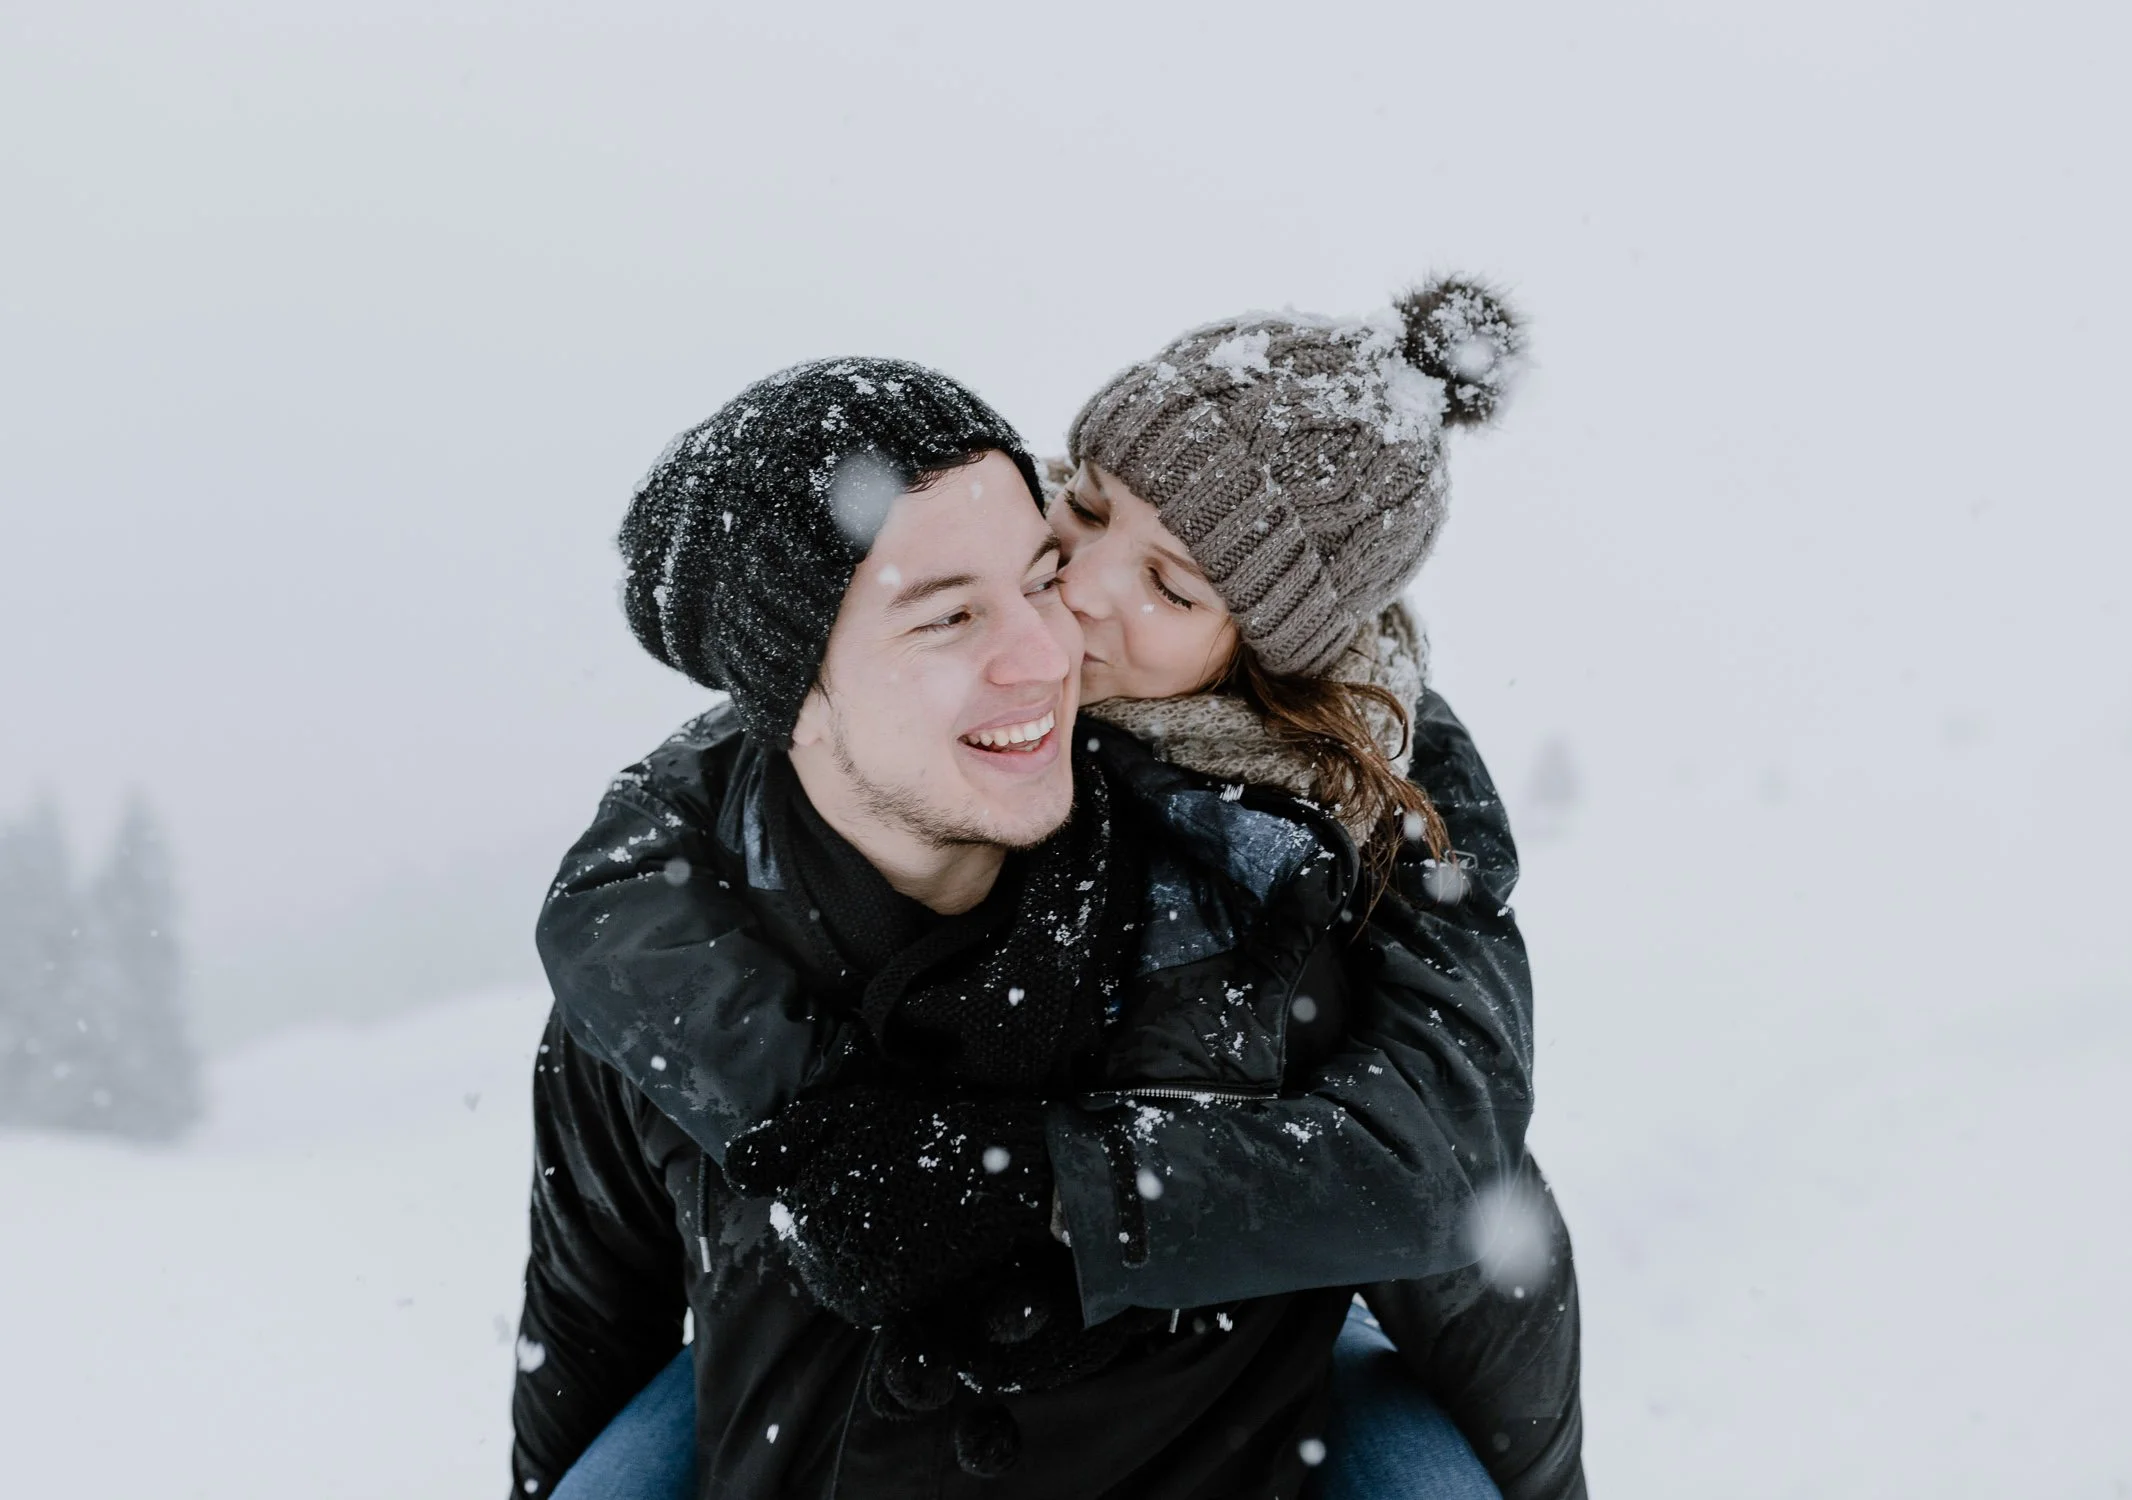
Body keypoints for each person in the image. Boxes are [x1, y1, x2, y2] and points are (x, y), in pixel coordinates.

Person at [516, 307, 1580, 1498]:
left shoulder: (1311, 871)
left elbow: (1453, 1190)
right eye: (1079, 519)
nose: (1063, 621)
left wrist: (1054, 1188)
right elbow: (587, 1316)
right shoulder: (690, 938)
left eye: (1172, 589)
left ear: (1266, 650)